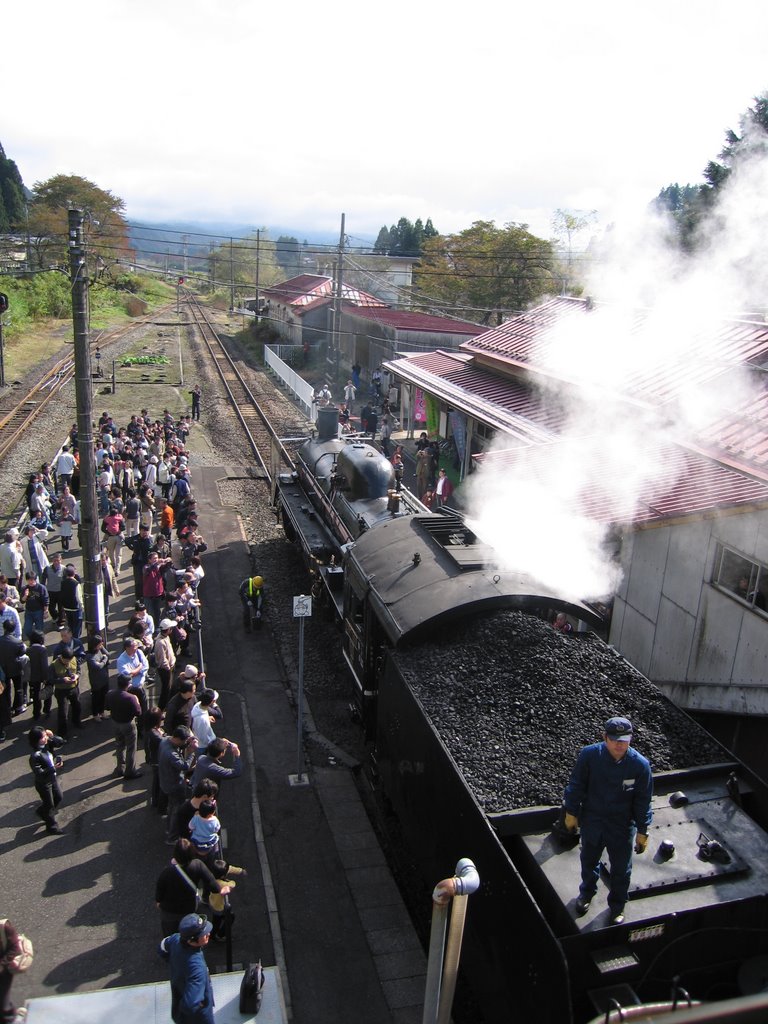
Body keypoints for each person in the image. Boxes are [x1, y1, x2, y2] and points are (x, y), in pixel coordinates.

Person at [563, 716, 653, 924]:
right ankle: (586, 893)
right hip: (593, 821)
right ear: (605, 737)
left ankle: (618, 905)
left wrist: (642, 830)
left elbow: (643, 800)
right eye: (614, 739)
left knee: (621, 870)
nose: (619, 744)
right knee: (589, 860)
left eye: (624, 739)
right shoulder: (590, 756)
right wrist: (571, 811)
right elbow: (577, 784)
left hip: (621, 827)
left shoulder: (640, 766)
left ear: (631, 739)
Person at [155, 839, 229, 939]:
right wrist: (223, 889)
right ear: (192, 853)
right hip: (188, 908)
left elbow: (159, 892)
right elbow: (213, 886)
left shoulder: (167, 872)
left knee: (170, 938)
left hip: (169, 911)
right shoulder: (197, 865)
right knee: (188, 936)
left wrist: (159, 902)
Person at [159, 913, 216, 1024]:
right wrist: (201, 1006)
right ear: (192, 939)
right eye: (204, 934)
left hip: (178, 997)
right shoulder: (197, 968)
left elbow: (162, 948)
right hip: (199, 1018)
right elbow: (190, 1004)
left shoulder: (176, 939)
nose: (208, 934)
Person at [28, 725, 65, 835]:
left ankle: (42, 811)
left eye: (45, 736)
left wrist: (52, 736)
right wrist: (53, 768)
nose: (45, 738)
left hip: (52, 778)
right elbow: (39, 773)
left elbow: (60, 742)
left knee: (58, 797)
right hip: (43, 783)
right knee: (49, 805)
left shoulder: (47, 745)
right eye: (43, 737)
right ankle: (51, 826)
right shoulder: (35, 756)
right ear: (36, 740)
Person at [105, 674, 143, 779]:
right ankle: (130, 771)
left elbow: (107, 707)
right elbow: (138, 712)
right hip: (128, 724)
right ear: (128, 684)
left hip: (115, 723)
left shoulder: (110, 694)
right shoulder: (131, 698)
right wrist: (138, 702)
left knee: (119, 745)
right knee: (131, 747)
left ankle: (120, 768)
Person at [50, 646, 81, 738]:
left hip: (73, 688)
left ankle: (76, 722)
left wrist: (77, 676)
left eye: (69, 660)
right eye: (65, 660)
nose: (67, 662)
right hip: (61, 691)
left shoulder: (74, 659)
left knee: (77, 707)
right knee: (63, 713)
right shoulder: (54, 665)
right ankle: (62, 733)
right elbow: (51, 679)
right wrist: (62, 680)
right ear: (61, 657)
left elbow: (79, 670)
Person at [0, 917, 24, 1022]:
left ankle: (9, 1017)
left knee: (3, 1001)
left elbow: (15, 948)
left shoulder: (4, 927)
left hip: (3, 973)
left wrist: (2, 964)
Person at [86, 634, 110, 721]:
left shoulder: (99, 650)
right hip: (96, 681)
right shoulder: (90, 656)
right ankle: (95, 714)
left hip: (104, 679)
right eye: (100, 644)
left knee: (103, 696)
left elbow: (107, 654)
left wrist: (102, 648)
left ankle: (102, 712)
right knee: (96, 698)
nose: (101, 645)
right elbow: (98, 666)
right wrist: (104, 659)